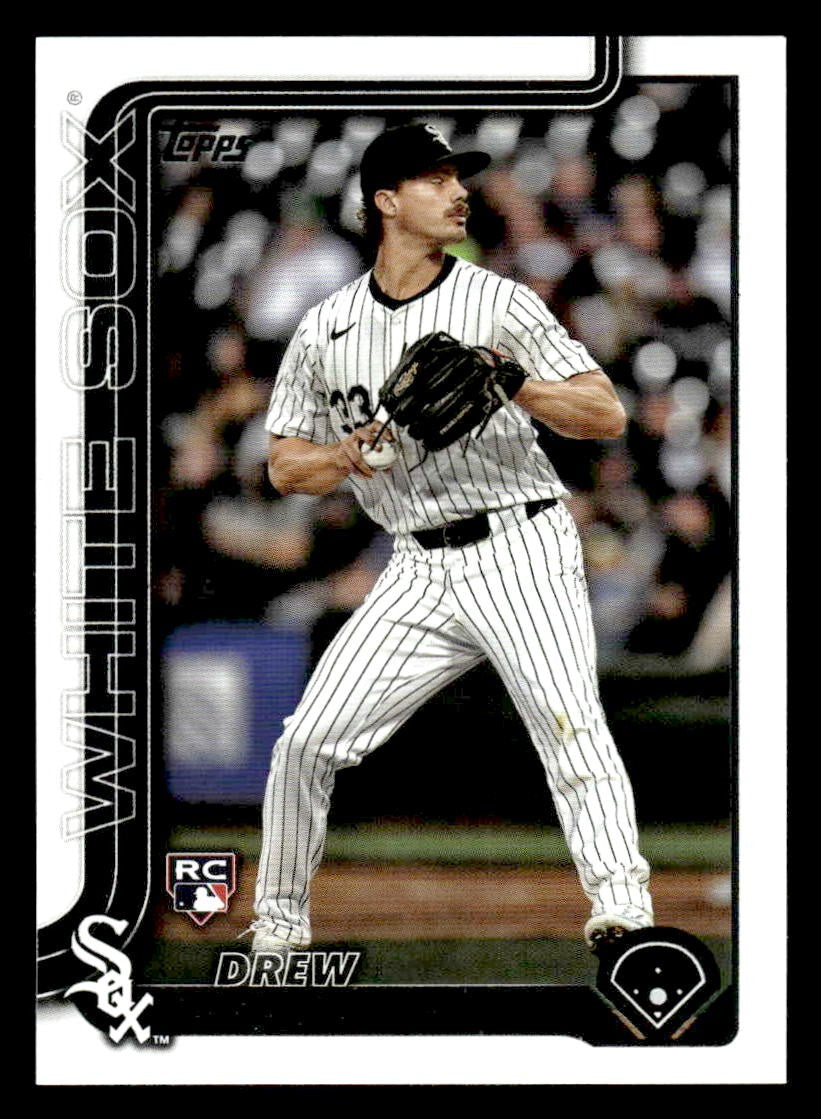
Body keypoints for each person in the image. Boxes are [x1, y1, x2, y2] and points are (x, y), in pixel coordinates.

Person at [249, 121, 654, 956]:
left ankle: (624, 915)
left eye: (457, 177)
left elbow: (604, 413)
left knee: (569, 724)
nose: (458, 191)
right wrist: (343, 454)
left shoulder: (498, 300)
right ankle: (278, 928)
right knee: (305, 743)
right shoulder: (324, 327)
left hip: (519, 544)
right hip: (413, 564)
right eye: (434, 179)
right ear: (385, 201)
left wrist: (514, 381)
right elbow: (285, 466)